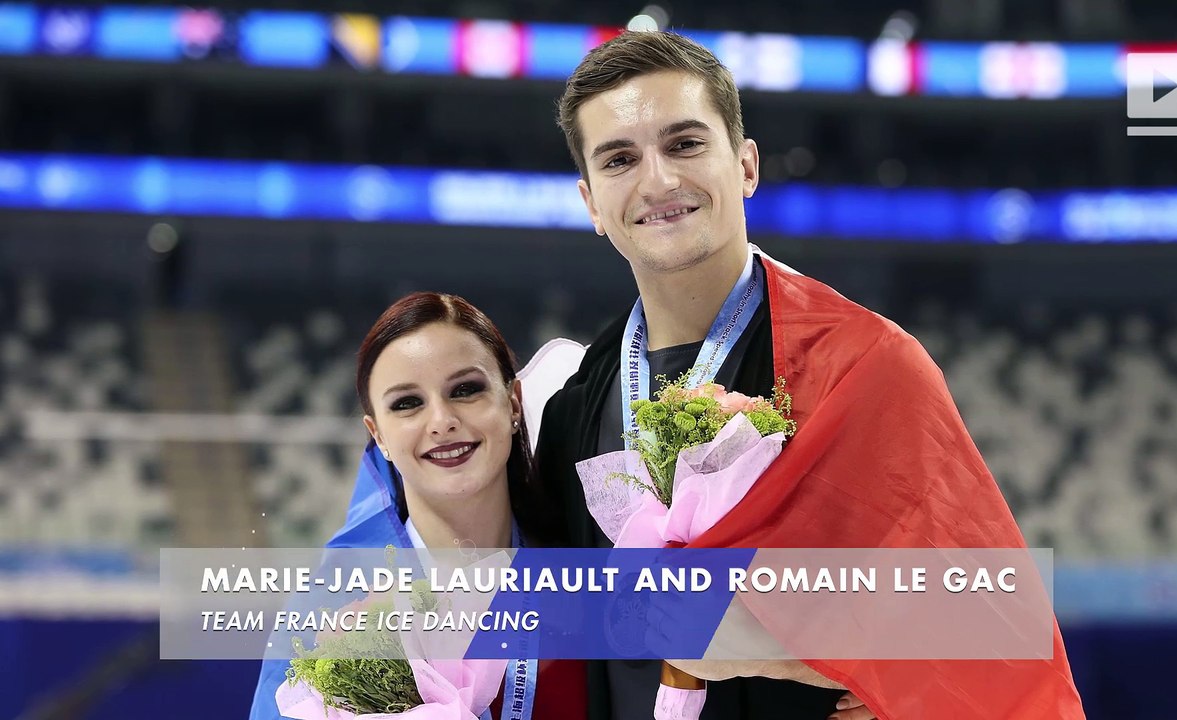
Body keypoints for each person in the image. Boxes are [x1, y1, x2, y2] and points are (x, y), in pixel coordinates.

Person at [534, 30, 1087, 720]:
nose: (658, 180)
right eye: (620, 159)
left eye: (684, 144)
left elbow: (992, 626)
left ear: (745, 166)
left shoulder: (864, 368)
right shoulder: (573, 410)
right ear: (591, 203)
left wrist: (771, 649)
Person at [247, 292, 586, 720]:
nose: (441, 420)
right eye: (407, 403)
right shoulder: (331, 608)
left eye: (466, 390)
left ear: (513, 403)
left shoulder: (581, 567)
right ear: (379, 435)